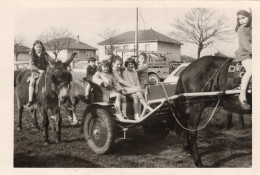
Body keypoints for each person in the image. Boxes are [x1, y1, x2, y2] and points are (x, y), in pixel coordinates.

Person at [25, 40, 55, 107]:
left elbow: (47, 64)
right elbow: (32, 65)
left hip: (44, 72)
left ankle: (52, 95)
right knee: (32, 82)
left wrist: (47, 69)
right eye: (37, 47)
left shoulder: (43, 55)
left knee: (52, 80)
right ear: (34, 47)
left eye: (40, 47)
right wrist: (39, 70)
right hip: (35, 73)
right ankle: (30, 100)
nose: (39, 48)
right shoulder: (33, 55)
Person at [235, 8, 252, 110]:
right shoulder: (241, 29)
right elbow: (247, 45)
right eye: (239, 19)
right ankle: (242, 95)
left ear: (250, 17)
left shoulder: (253, 28)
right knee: (251, 70)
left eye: (243, 18)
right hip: (245, 54)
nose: (241, 20)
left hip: (253, 54)